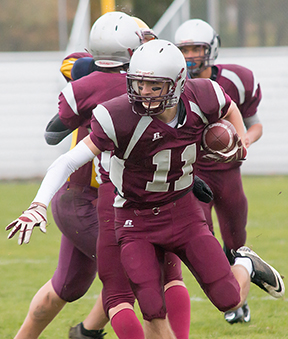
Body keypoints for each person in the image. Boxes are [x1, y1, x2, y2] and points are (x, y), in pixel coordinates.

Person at [6, 39, 284, 339]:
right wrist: (38, 204)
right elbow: (68, 160)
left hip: (184, 211)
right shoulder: (116, 115)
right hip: (135, 220)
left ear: (178, 83)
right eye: (138, 85)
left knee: (229, 298)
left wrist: (238, 142)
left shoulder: (204, 95)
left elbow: (229, 109)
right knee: (150, 307)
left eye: (154, 86)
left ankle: (245, 263)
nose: (144, 94)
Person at [8, 11, 143, 339]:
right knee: (137, 272)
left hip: (103, 196)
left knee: (66, 286)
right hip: (87, 197)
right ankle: (88, 332)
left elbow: (54, 132)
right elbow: (74, 69)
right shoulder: (116, 81)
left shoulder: (117, 82)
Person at [174, 18, 263, 324]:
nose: (190, 56)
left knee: (236, 241)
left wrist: (244, 141)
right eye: (184, 49)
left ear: (210, 49)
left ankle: (240, 297)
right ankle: (232, 299)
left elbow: (255, 124)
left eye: (197, 48)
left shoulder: (236, 80)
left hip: (229, 173)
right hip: (196, 175)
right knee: (205, 241)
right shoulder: (174, 86)